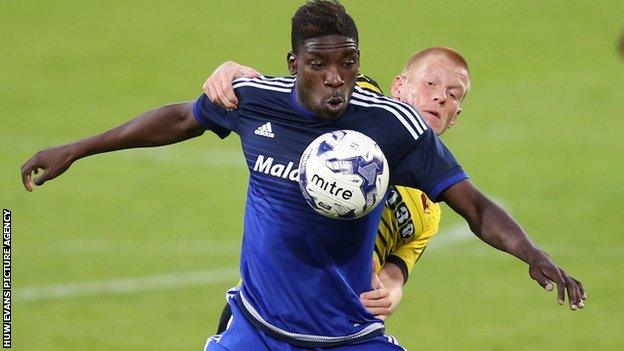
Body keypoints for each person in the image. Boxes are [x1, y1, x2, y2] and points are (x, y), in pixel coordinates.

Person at [20, 1, 585, 350]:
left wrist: (532, 254)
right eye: (319, 65)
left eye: (347, 65)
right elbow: (178, 117)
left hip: (347, 337)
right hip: (257, 329)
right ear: (295, 65)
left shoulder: (392, 130)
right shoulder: (259, 100)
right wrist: (79, 147)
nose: (335, 79)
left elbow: (476, 208)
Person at [208, 47, 470, 332]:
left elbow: (395, 275)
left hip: (334, 328)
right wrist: (233, 71)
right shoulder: (354, 103)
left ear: (455, 116)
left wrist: (389, 295)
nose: (440, 97)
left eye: (453, 95)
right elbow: (292, 88)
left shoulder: (428, 210)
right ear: (399, 86)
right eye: (430, 83)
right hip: (261, 313)